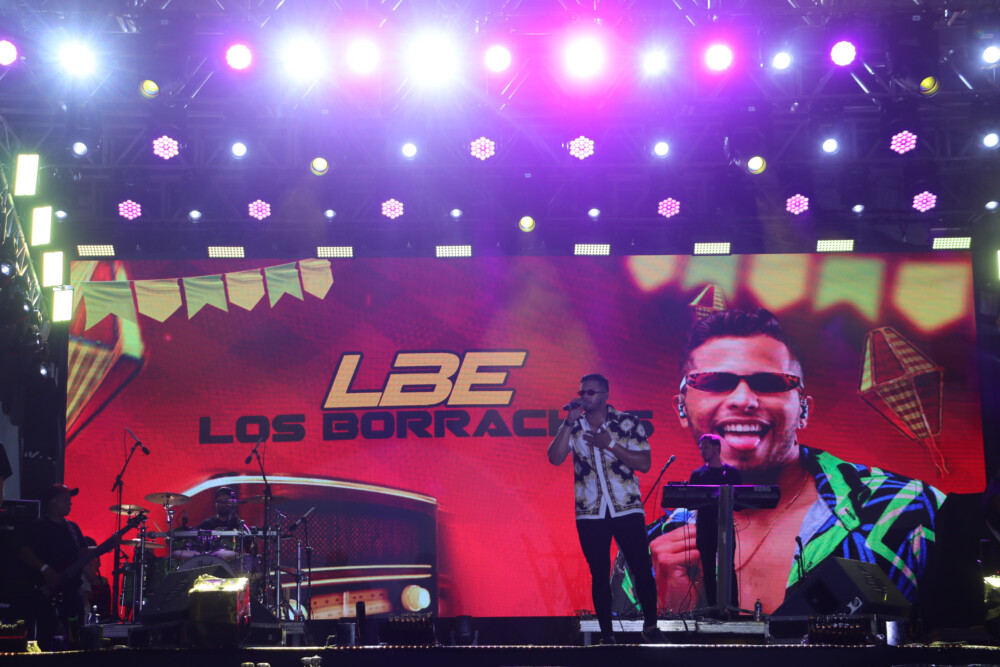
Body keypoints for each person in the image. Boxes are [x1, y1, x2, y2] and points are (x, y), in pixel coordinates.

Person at [614, 307, 944, 615]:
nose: (743, 400)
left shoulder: (909, 508)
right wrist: (672, 616)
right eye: (716, 382)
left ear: (804, 409)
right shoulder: (646, 554)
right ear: (682, 408)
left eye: (770, 383)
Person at [548, 373, 665, 644]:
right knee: (599, 573)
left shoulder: (627, 422)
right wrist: (568, 422)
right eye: (582, 392)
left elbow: (644, 463)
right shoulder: (574, 426)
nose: (584, 397)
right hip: (590, 512)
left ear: (604, 396)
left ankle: (650, 626)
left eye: (590, 392)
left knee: (641, 567)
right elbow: (554, 458)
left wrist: (610, 444)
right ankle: (607, 635)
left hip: (626, 507)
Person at [19, 484, 92, 649]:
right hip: (46, 594)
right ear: (53, 501)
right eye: (66, 499)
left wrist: (103, 548)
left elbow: (82, 553)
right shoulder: (37, 527)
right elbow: (24, 553)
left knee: (75, 639)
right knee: (44, 638)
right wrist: (45, 569)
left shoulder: (73, 528)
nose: (70, 503)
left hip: (71, 595)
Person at [688, 433, 742, 612]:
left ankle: (733, 608)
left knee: (728, 567)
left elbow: (740, 503)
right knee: (708, 569)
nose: (702, 451)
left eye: (706, 447)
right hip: (705, 527)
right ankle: (712, 609)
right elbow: (691, 502)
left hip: (725, 525)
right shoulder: (697, 475)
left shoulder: (732, 473)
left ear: (717, 448)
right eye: (701, 448)